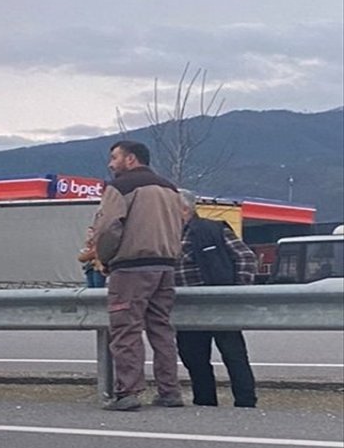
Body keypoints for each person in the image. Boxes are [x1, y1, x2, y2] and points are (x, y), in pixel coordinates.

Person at [91, 140, 184, 411]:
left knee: (126, 330)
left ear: (130, 159)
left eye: (114, 157)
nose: (111, 164)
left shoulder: (120, 188)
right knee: (162, 330)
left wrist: (105, 258)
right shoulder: (170, 189)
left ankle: (128, 392)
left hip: (131, 268)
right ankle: (170, 391)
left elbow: (108, 228)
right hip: (166, 267)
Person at [174, 189, 259, 408]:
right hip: (186, 309)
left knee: (234, 356)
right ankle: (204, 403)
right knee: (193, 358)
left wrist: (237, 292)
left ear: (184, 208)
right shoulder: (165, 235)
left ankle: (246, 402)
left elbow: (246, 257)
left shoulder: (213, 229)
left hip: (219, 303)